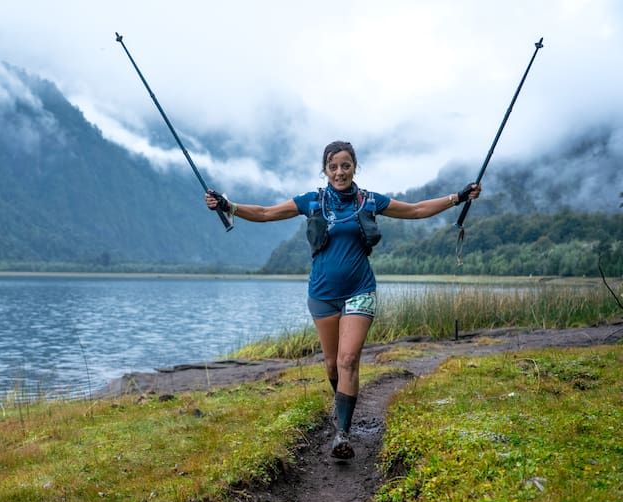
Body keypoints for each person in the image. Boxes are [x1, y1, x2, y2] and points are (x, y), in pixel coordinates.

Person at [205, 140, 481, 460]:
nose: (339, 172)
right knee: (332, 363)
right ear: (324, 170)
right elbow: (266, 213)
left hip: (360, 290)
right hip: (322, 295)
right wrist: (229, 205)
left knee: (348, 360)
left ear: (355, 167)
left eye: (345, 165)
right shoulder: (312, 202)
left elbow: (416, 209)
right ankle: (343, 404)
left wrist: (458, 197)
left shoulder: (368, 201)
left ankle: (342, 433)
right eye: (333, 166)